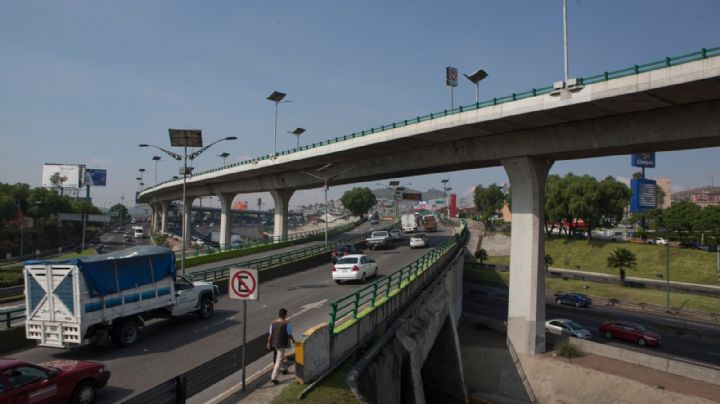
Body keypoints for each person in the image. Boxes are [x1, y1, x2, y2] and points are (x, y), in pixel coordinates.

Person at [266, 308, 295, 384]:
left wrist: (268, 343)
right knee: (279, 359)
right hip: (281, 343)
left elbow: (270, 334)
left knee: (280, 356)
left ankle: (283, 369)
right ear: (285, 315)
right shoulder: (287, 323)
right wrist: (293, 340)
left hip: (274, 343)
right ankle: (274, 377)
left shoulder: (272, 323)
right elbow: (289, 334)